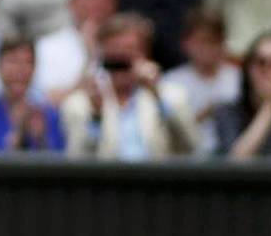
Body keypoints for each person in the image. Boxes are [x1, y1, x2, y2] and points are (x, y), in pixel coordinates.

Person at [65, 15, 198, 159]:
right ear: (103, 56)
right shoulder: (79, 103)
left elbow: (189, 148)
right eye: (114, 49)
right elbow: (79, 161)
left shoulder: (172, 97)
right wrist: (96, 116)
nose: (121, 56)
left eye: (130, 49)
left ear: (145, 55)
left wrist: (157, 96)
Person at [0, 32, 66, 152]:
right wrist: (15, 140)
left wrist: (41, 139)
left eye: (27, 62)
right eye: (13, 61)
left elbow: (59, 163)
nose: (20, 70)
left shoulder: (49, 116)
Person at [157, 8, 241, 151]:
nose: (206, 48)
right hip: (186, 161)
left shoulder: (238, 78)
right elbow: (165, 132)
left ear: (223, 43)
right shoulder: (170, 81)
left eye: (213, 41)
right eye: (201, 41)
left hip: (234, 158)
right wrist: (202, 115)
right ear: (185, 43)